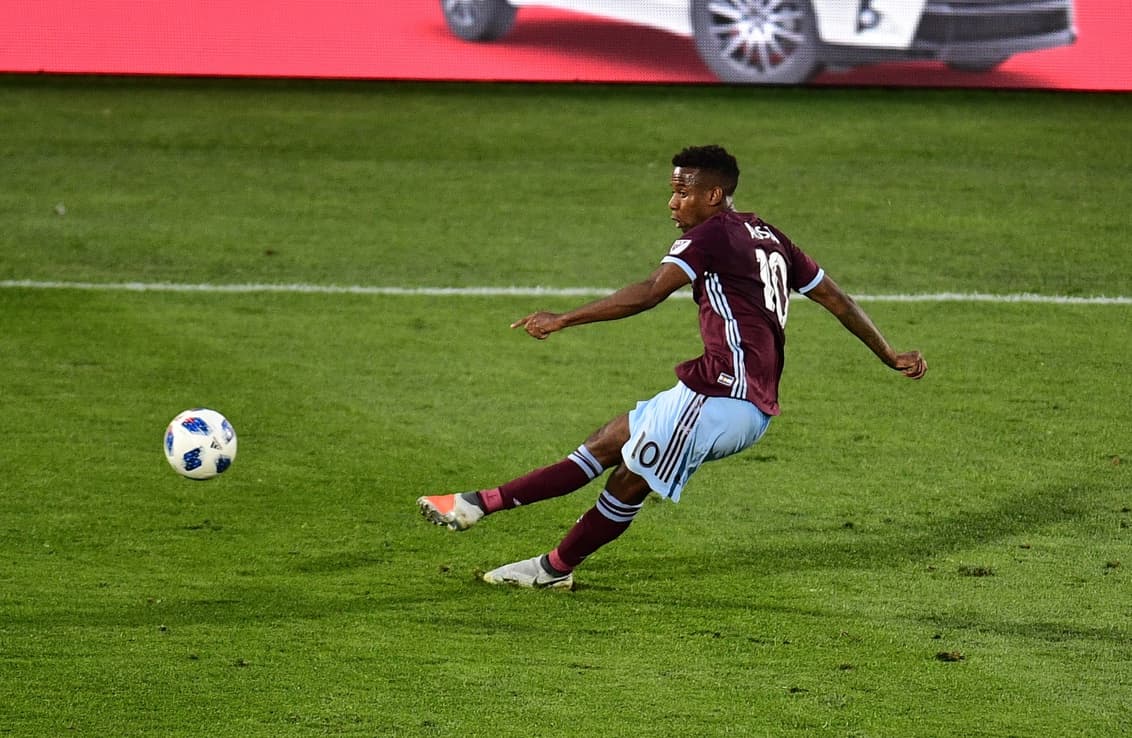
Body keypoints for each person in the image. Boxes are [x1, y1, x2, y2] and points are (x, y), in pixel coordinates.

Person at [417, 144, 927, 590]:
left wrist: (564, 318)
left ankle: (552, 569)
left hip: (726, 399)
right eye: (672, 190)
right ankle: (475, 504)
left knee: (628, 479)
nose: (673, 201)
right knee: (607, 440)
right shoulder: (768, 234)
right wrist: (888, 353)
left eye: (684, 192)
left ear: (714, 194)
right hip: (712, 388)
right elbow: (835, 299)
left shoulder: (712, 237)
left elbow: (649, 292)